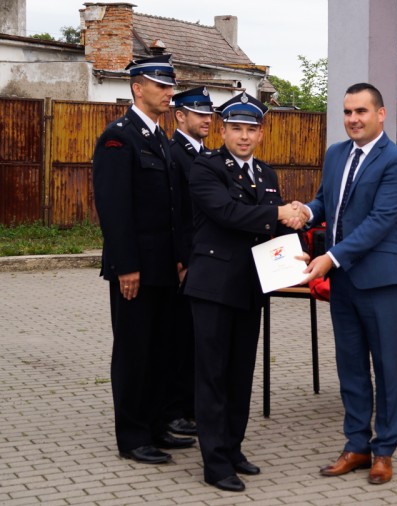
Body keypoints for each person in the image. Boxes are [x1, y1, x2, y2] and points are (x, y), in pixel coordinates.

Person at [183, 91, 308, 492]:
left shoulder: (266, 175)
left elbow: (274, 227)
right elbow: (227, 212)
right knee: (213, 376)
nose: (243, 136)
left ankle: (233, 448)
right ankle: (215, 463)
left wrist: (299, 220)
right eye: (236, 128)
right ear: (223, 131)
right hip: (213, 288)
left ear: (261, 134)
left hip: (250, 287)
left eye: (251, 130)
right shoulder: (206, 167)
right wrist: (278, 212)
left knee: (240, 374)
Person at [304, 83, 397, 485]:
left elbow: (380, 221)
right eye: (348, 112)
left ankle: (384, 451)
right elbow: (326, 202)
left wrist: (330, 257)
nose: (353, 119)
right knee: (350, 366)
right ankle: (356, 445)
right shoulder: (336, 154)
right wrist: (304, 211)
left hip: (381, 281)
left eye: (361, 111)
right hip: (344, 281)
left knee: (385, 368)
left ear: (380, 114)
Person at [92, 54, 196, 465]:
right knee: (134, 352)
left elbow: (174, 208)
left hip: (164, 267)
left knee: (160, 351)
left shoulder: (161, 140)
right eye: (161, 85)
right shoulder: (118, 138)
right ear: (138, 88)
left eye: (171, 86)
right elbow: (114, 208)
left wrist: (181, 258)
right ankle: (133, 437)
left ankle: (156, 427)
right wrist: (126, 266)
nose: (169, 93)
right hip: (136, 268)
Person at [163, 86, 215, 437]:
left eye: (209, 114)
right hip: (186, 261)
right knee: (179, 339)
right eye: (199, 114)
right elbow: (175, 213)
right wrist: (181, 259)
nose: (207, 119)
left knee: (197, 338)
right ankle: (175, 410)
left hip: (205, 258)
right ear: (180, 116)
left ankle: (193, 407)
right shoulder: (173, 154)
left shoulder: (207, 155)